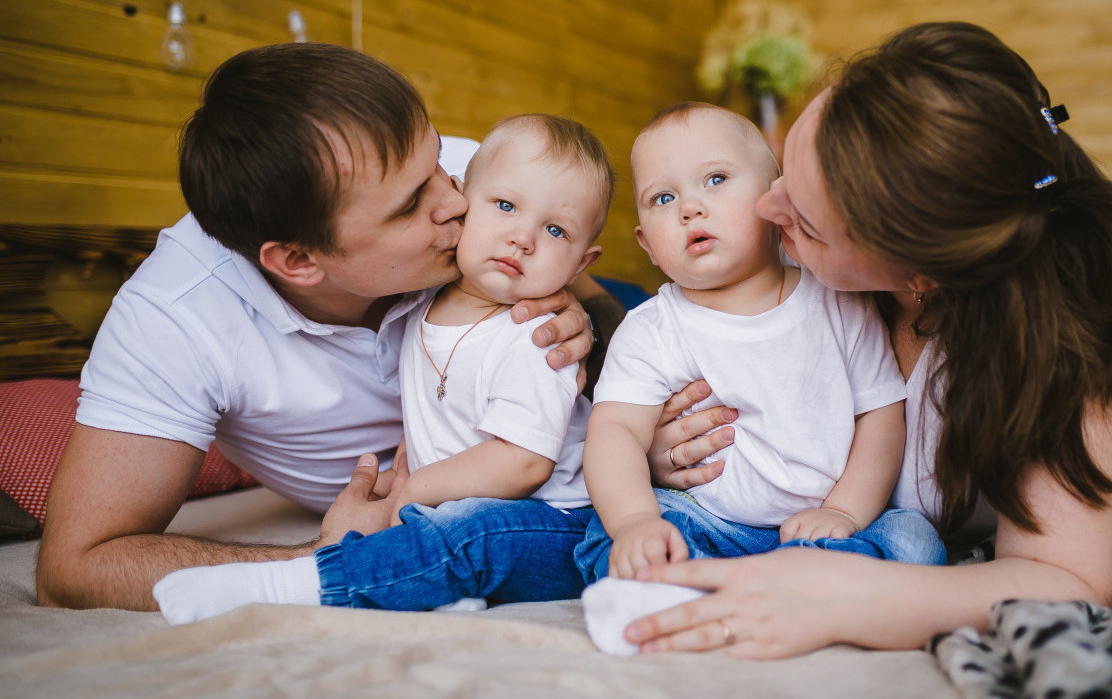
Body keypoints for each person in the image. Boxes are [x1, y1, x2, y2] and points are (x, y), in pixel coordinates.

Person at [617, 22, 1112, 659]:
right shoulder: (774, 265)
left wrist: (847, 598)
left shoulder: (1092, 332)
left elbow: (1069, 577)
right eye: (784, 172)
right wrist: (656, 450)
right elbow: (663, 339)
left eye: (803, 222)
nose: (764, 207)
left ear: (920, 279)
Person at [35, 43, 613, 612]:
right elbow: (74, 568)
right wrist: (334, 554)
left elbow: (602, 307)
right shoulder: (176, 319)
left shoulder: (475, 181)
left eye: (439, 160)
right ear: (299, 262)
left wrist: (588, 336)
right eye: (413, 205)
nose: (457, 203)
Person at [151, 113, 614, 624]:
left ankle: (298, 583)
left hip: (561, 518)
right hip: (455, 507)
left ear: (579, 265)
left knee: (473, 540)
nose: (522, 238)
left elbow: (525, 463)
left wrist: (414, 488)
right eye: (504, 207)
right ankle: (428, 583)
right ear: (465, 202)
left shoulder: (535, 337)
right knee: (447, 537)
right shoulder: (420, 303)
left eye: (554, 230)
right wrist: (404, 476)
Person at [574, 103, 944, 593]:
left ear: (774, 199)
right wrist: (636, 522)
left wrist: (843, 512)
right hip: (712, 522)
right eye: (663, 197)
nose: (689, 207)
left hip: (827, 530)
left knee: (916, 541)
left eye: (716, 179)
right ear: (646, 244)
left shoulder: (838, 302)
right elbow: (615, 431)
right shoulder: (651, 329)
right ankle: (756, 585)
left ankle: (757, 586)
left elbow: (879, 417)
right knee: (609, 537)